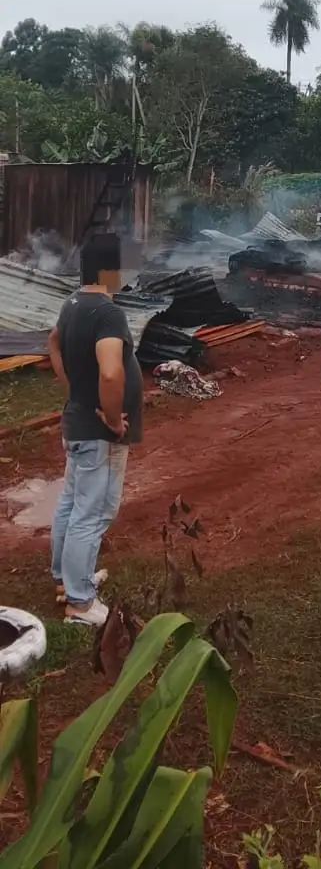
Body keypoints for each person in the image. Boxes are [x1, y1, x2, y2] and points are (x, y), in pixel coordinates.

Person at [47, 232, 143, 626]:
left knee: (71, 504)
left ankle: (66, 578)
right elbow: (110, 369)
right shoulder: (106, 313)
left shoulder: (72, 303)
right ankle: (81, 603)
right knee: (93, 511)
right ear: (110, 269)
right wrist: (113, 415)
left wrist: (74, 393)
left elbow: (52, 343)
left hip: (78, 423)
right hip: (98, 432)